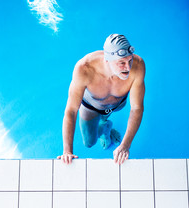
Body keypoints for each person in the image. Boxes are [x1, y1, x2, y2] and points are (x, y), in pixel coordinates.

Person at [57, 34, 145, 165]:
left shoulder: (138, 66)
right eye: (122, 63)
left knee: (105, 117)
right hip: (91, 107)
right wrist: (67, 151)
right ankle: (105, 128)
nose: (128, 67)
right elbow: (71, 110)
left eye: (130, 60)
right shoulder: (85, 68)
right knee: (89, 142)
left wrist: (125, 145)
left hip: (117, 104)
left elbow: (137, 108)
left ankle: (105, 125)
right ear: (107, 60)